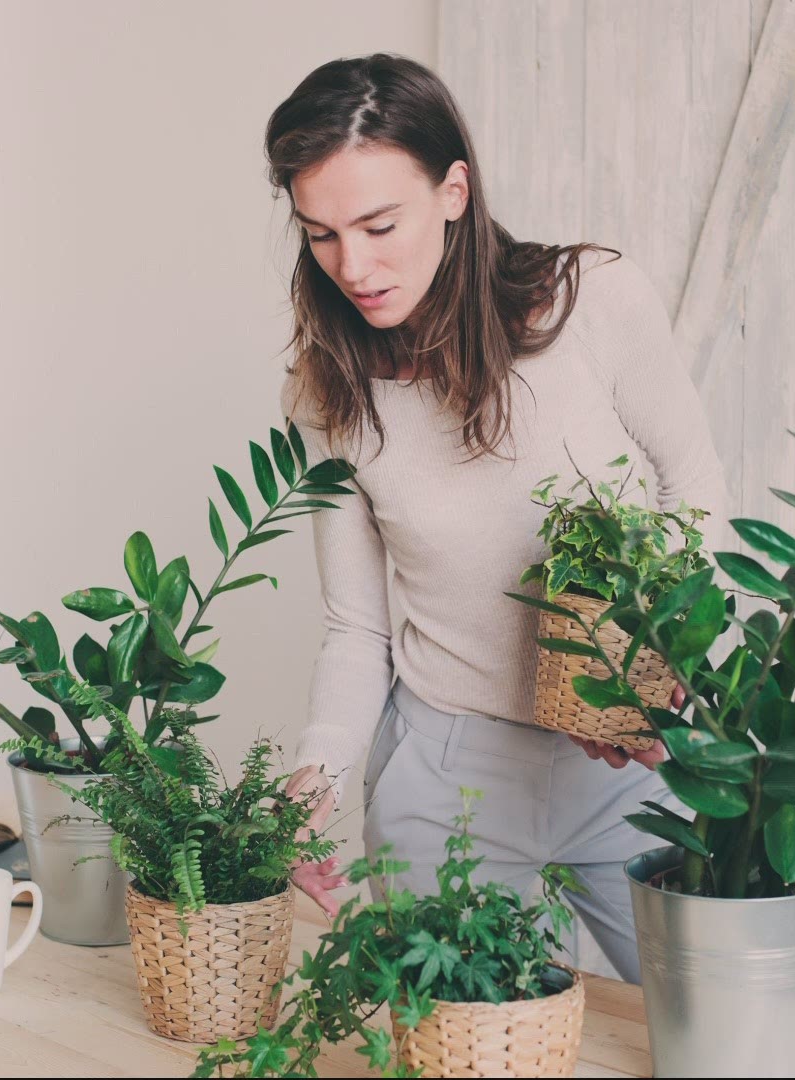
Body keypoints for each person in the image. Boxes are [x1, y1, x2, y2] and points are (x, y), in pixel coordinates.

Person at [266, 53, 727, 983]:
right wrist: (315, 778)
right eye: (320, 235)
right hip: (448, 773)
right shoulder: (328, 391)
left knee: (712, 1032)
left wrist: (652, 676)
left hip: (633, 763)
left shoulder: (592, 301)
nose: (353, 266)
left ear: (453, 191)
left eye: (378, 224)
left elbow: (697, 494)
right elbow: (358, 627)